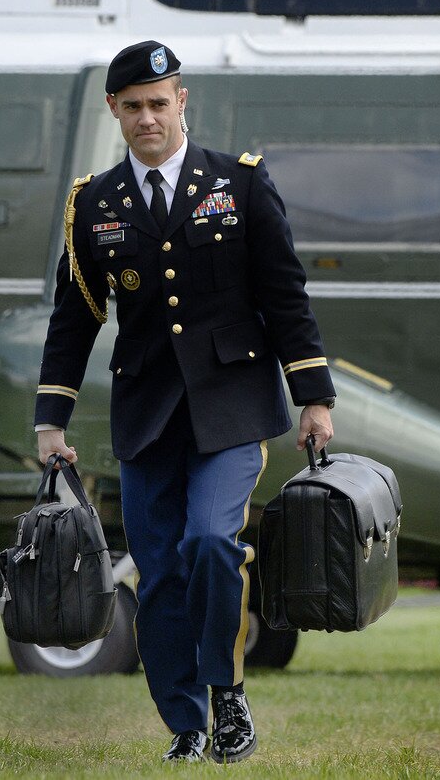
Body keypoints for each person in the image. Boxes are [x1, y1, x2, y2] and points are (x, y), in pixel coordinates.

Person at [34, 41, 335, 763]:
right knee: (160, 568)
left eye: (158, 103)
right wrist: (52, 418)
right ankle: (186, 724)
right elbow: (74, 317)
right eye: (132, 106)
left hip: (231, 405)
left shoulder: (240, 183)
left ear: (182, 101)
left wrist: (314, 398)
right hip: (146, 413)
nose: (146, 118)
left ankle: (226, 693)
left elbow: (285, 296)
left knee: (209, 542)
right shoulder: (94, 202)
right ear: (114, 109)